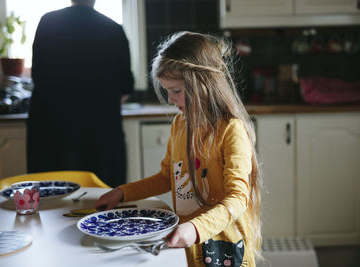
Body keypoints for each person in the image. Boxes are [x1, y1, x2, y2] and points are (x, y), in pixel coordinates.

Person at [95, 31, 262, 266]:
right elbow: (167, 177)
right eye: (167, 91)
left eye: (176, 91)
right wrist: (122, 193)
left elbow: (237, 198)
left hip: (225, 249)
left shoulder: (230, 130)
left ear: (204, 84)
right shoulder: (180, 125)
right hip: (189, 245)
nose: (171, 100)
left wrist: (195, 228)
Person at [27, 0, 134, 187]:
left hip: (52, 130)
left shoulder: (48, 22)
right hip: (99, 132)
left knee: (51, 195)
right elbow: (126, 85)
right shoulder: (113, 29)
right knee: (100, 196)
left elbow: (36, 73)